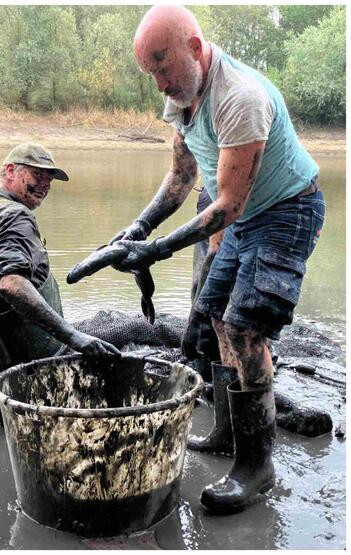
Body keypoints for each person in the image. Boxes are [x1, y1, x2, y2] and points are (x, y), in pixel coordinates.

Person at [98, 5, 324, 514]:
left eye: (164, 65)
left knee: (246, 329)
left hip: (287, 209)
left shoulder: (240, 98)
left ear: (195, 48)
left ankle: (257, 466)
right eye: (149, 72)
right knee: (217, 319)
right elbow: (181, 178)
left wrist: (155, 249)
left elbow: (227, 205)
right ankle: (226, 430)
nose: (159, 83)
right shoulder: (182, 94)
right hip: (242, 216)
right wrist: (139, 227)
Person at [0, 143, 120, 380]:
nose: (45, 184)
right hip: (24, 366)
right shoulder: (15, 214)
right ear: (10, 171)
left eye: (49, 178)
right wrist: (75, 337)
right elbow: (9, 283)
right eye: (37, 174)